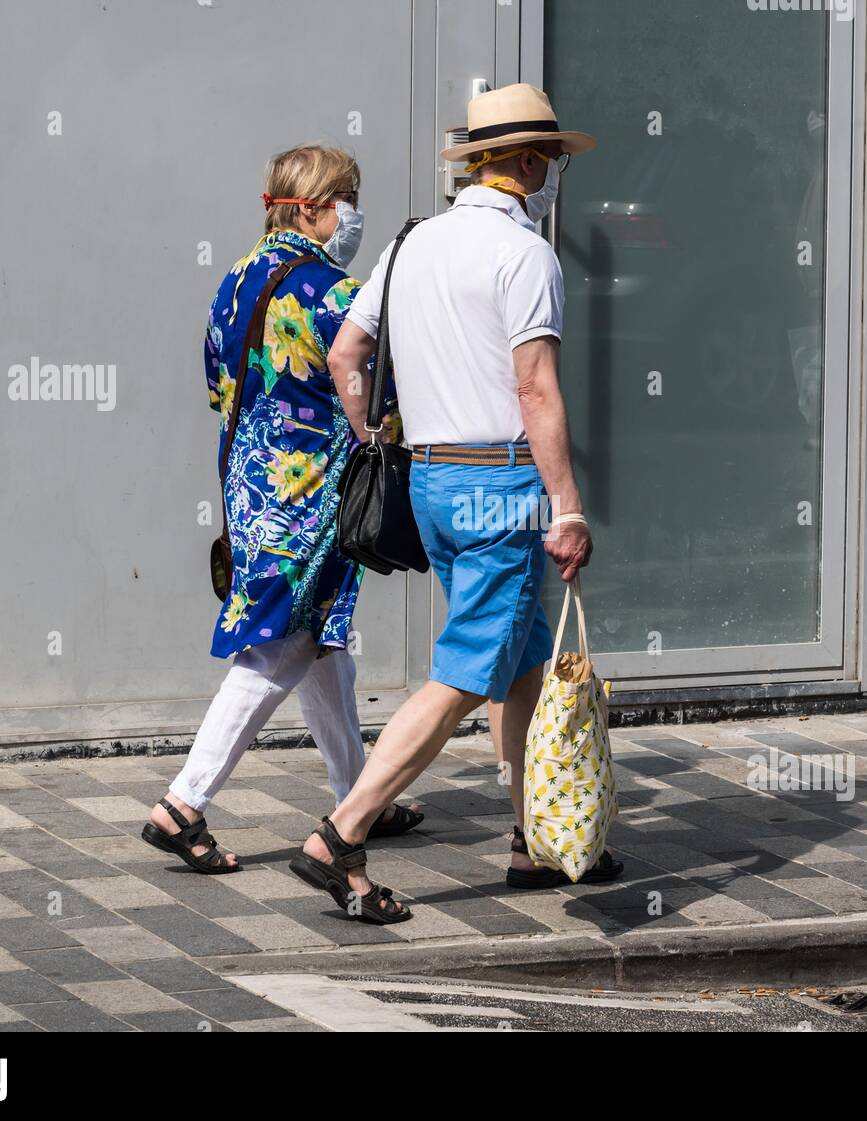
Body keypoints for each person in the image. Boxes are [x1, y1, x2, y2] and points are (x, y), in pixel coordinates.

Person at [295, 85, 622, 922]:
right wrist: (569, 504)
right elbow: (535, 386)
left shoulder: (412, 243)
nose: (552, 173)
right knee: (468, 669)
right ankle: (342, 831)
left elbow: (345, 353)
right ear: (523, 162)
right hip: (499, 481)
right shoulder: (524, 255)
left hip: (432, 480)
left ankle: (530, 841)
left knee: (516, 664)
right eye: (548, 158)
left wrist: (373, 434)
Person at [141, 146, 421, 874]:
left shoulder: (234, 280)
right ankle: (182, 804)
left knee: (320, 642)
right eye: (346, 199)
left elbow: (217, 387)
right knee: (279, 646)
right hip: (308, 495)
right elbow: (379, 390)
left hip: (250, 484)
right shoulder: (334, 292)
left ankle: (359, 797)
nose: (353, 214)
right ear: (311, 208)